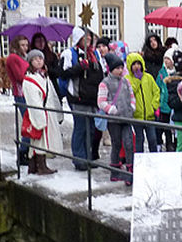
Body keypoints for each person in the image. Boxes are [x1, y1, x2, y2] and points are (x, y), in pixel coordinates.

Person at [58, 27, 102, 171]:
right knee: (81, 127)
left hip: (92, 97)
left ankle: (88, 157)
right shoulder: (69, 54)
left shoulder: (95, 54)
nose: (88, 39)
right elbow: (63, 74)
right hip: (78, 97)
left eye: (89, 36)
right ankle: (79, 158)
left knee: (91, 129)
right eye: (85, 37)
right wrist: (79, 67)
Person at [22, 49, 63, 175]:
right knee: (39, 140)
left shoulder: (44, 76)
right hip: (40, 112)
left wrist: (56, 111)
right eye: (35, 59)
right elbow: (33, 100)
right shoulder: (29, 79)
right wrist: (39, 117)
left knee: (42, 140)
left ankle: (34, 165)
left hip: (47, 112)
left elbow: (52, 95)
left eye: (40, 58)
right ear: (30, 62)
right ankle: (40, 165)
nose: (39, 61)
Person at [98, 52, 136, 185]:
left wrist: (132, 106)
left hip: (126, 117)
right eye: (117, 68)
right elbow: (101, 101)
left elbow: (131, 95)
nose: (120, 70)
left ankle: (130, 170)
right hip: (114, 119)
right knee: (117, 144)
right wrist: (112, 110)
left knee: (129, 143)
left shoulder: (125, 81)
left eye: (121, 67)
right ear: (111, 69)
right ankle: (114, 171)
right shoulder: (105, 83)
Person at [126, 51, 161, 154]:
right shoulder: (127, 79)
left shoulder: (148, 77)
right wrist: (137, 80)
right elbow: (130, 92)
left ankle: (153, 158)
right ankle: (139, 159)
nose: (137, 67)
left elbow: (156, 91)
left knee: (152, 139)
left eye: (138, 64)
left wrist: (154, 106)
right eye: (134, 64)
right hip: (137, 116)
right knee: (139, 140)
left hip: (150, 115)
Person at [5, 34, 31, 166]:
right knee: (29, 122)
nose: (25, 48)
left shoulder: (23, 57)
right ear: (16, 45)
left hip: (27, 93)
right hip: (21, 93)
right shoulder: (13, 58)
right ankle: (23, 152)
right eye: (22, 45)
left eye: (26, 45)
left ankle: (26, 151)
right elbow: (20, 76)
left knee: (30, 121)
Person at [155, 46, 177, 151]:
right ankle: (161, 144)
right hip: (163, 105)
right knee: (162, 127)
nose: (166, 61)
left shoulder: (177, 73)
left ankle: (171, 144)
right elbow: (157, 87)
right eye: (165, 58)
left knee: (172, 128)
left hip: (173, 104)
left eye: (168, 59)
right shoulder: (161, 73)